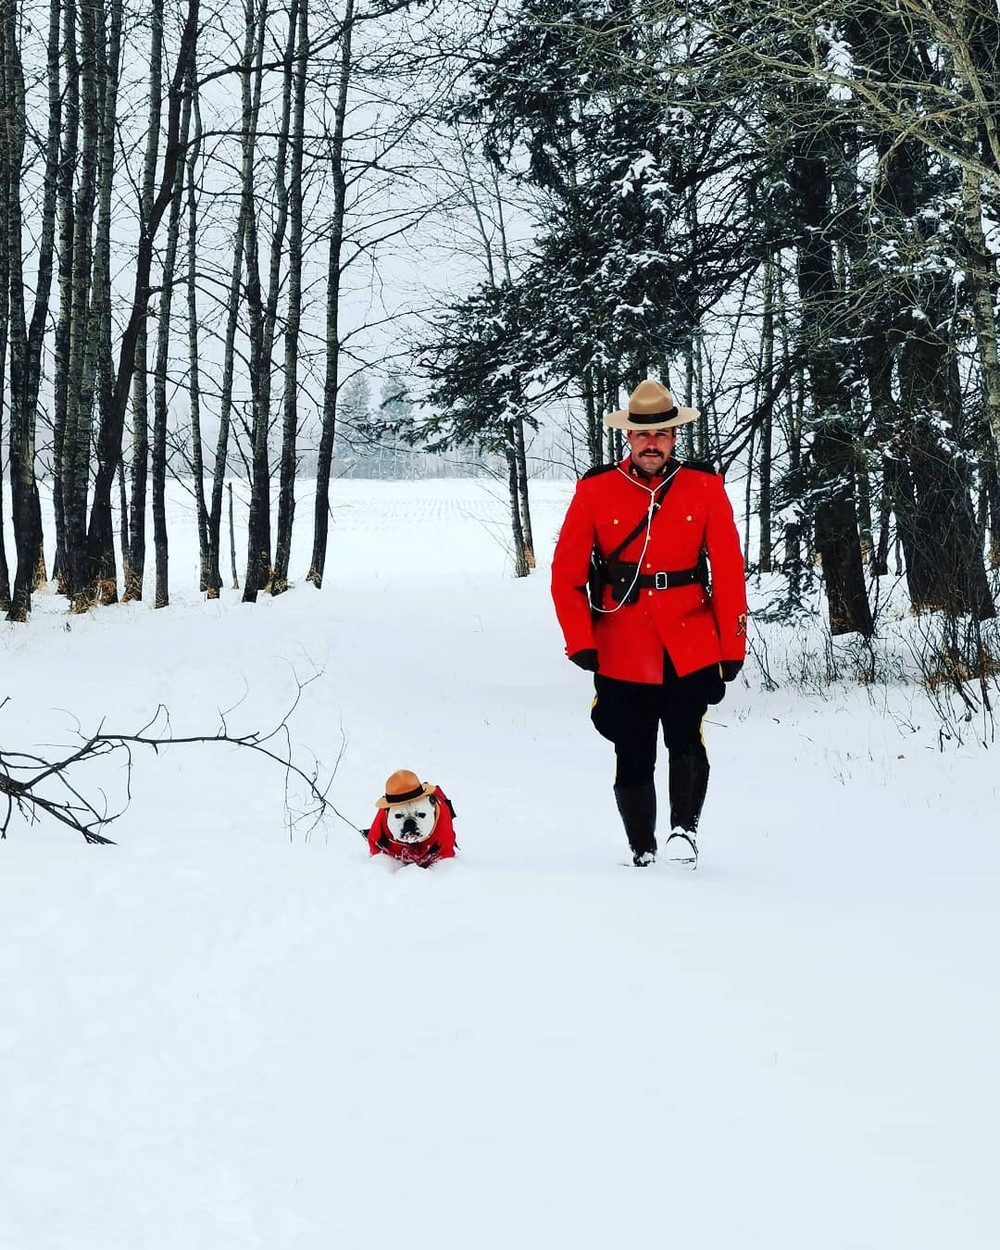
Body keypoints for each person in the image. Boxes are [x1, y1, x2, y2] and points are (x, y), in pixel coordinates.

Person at [550, 379, 748, 867]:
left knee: (686, 737)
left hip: (690, 639)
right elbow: (565, 575)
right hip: (621, 642)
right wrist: (580, 639)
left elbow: (727, 573)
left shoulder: (704, 487)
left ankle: (684, 832)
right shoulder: (596, 490)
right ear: (629, 439)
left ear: (675, 436)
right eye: (643, 435)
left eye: (662, 433)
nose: (653, 443)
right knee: (632, 748)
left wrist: (732, 647)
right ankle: (642, 848)